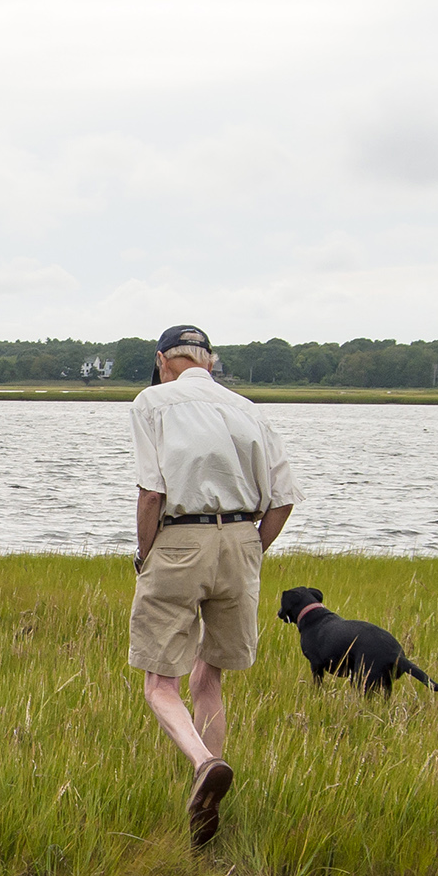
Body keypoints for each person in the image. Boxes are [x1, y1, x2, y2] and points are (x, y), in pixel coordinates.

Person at [128, 324, 302, 846]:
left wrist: (145, 555)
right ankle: (206, 794)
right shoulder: (249, 409)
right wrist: (251, 552)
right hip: (243, 541)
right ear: (211, 360)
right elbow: (285, 498)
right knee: (210, 680)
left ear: (163, 360)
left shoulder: (152, 403)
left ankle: (204, 764)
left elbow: (150, 493)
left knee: (160, 685)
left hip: (180, 538)